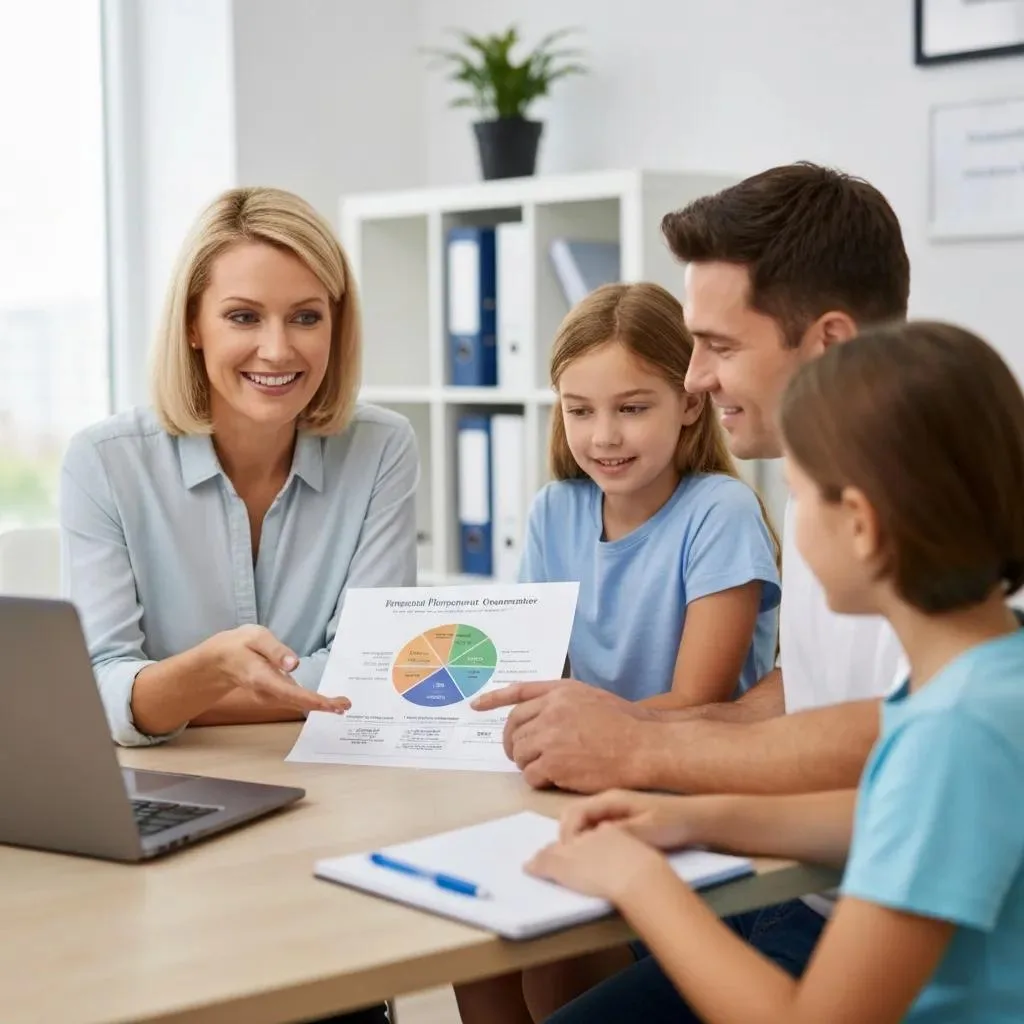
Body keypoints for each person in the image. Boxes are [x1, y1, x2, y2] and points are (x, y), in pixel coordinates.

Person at [468, 162, 910, 1012]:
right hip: (798, 886)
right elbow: (809, 700)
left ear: (831, 342)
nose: (696, 378)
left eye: (719, 345)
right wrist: (678, 803)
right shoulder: (821, 487)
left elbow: (911, 741)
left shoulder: (905, 516)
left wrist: (644, 752)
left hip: (851, 928)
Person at [529, 320, 1024, 1024]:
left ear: (858, 523)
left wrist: (638, 879)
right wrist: (688, 820)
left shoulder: (955, 732)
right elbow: (889, 815)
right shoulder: (986, 678)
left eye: (797, 493)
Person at [455, 282, 780, 1022]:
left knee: (544, 927)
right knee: (478, 929)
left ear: (689, 403)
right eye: (580, 410)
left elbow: (697, 701)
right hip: (583, 784)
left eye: (633, 408)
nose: (604, 436)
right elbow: (534, 673)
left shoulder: (718, 514)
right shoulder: (554, 510)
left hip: (690, 806)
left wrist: (571, 739)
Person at [60, 185, 418, 750]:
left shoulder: (382, 447)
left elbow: (373, 670)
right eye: (244, 317)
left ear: (336, 325)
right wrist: (211, 674)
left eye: (305, 316)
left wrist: (175, 690)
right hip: (167, 784)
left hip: (330, 779)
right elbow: (99, 692)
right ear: (193, 327)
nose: (276, 350)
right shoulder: (104, 462)